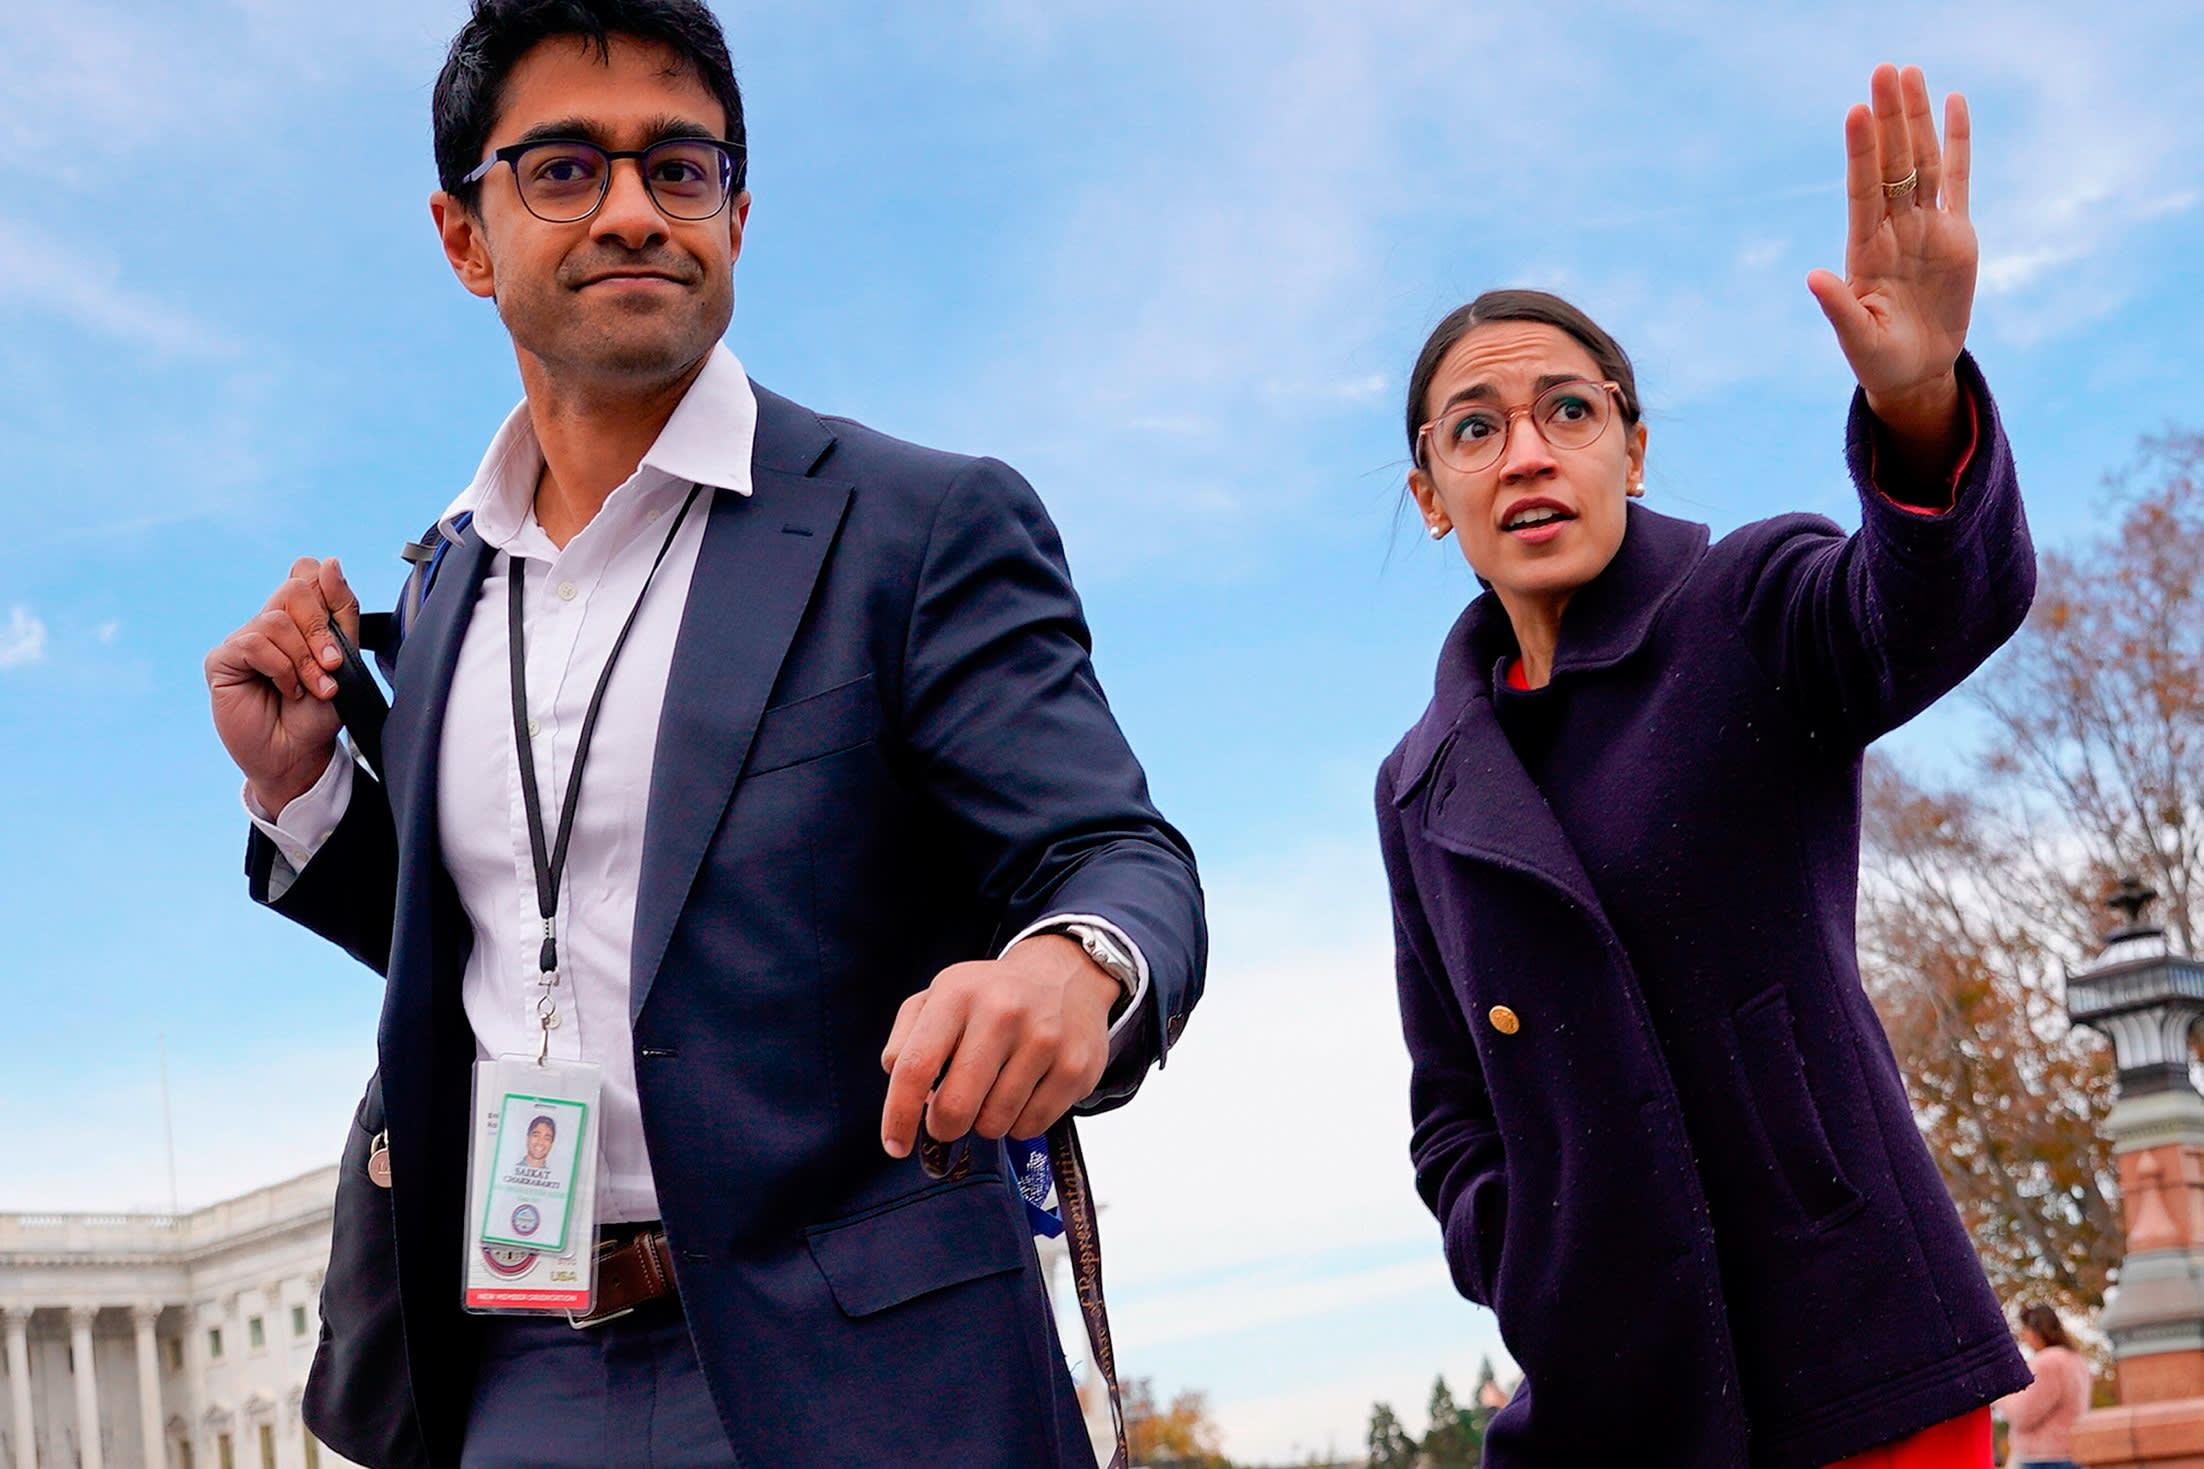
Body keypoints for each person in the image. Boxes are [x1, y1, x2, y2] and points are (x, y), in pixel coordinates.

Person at [201, 2, 1206, 1465]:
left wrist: (1074, 962)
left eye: (679, 167)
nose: (632, 210)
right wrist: (301, 789)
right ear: (464, 236)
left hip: (865, 1367)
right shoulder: (441, 586)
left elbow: (1118, 856)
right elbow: (509, 942)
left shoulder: (916, 525)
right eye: (563, 168)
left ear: (737, 210)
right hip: (515, 1367)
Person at [1375, 63, 2034, 1468]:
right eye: (1477, 428)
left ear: (1635, 443)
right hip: (1616, 1391)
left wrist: (1919, 409)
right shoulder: (1420, 786)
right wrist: (1534, 1252)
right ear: (1432, 497)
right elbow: (1450, 1112)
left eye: (1571, 409)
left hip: (1860, 1344)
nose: (1528, 452)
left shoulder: (1745, 603)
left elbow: (1927, 607)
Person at [1996, 1305, 2091, 1469]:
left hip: (2044, 1459)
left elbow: (2023, 1415)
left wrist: (2001, 1394)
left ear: (2036, 1331)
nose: (2024, 1337)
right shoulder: (2076, 1360)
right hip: (2071, 1453)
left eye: (2025, 1330)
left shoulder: (2048, 1362)